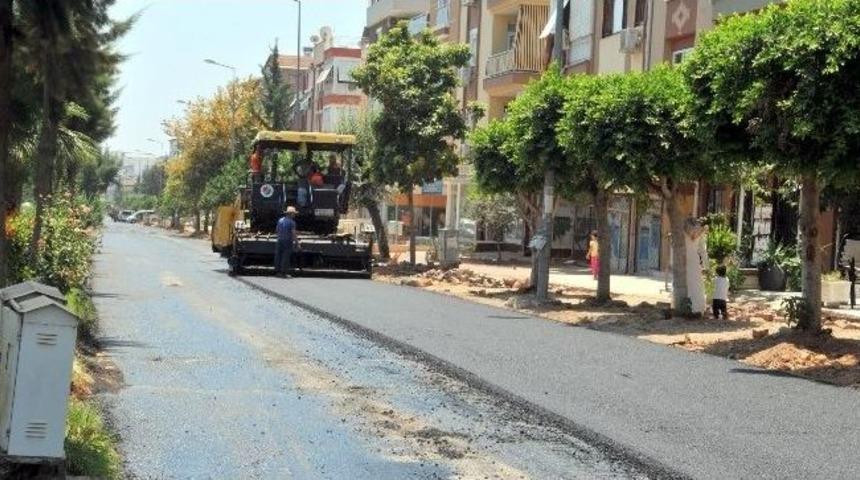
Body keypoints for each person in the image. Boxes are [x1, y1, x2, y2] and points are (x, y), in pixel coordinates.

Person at [684, 219, 709, 315]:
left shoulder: (683, 230)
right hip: (694, 260)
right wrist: (706, 266)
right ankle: (696, 308)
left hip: (684, 260)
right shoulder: (701, 232)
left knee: (687, 284)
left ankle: (684, 307)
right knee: (696, 285)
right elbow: (703, 250)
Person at [274, 206, 298, 278]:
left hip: (279, 240)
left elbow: (277, 230)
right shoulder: (292, 222)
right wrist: (297, 243)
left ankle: (277, 272)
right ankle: (283, 273)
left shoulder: (280, 220)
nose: (294, 215)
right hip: (287, 241)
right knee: (285, 256)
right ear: (290, 214)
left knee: (278, 256)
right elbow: (293, 233)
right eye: (293, 214)